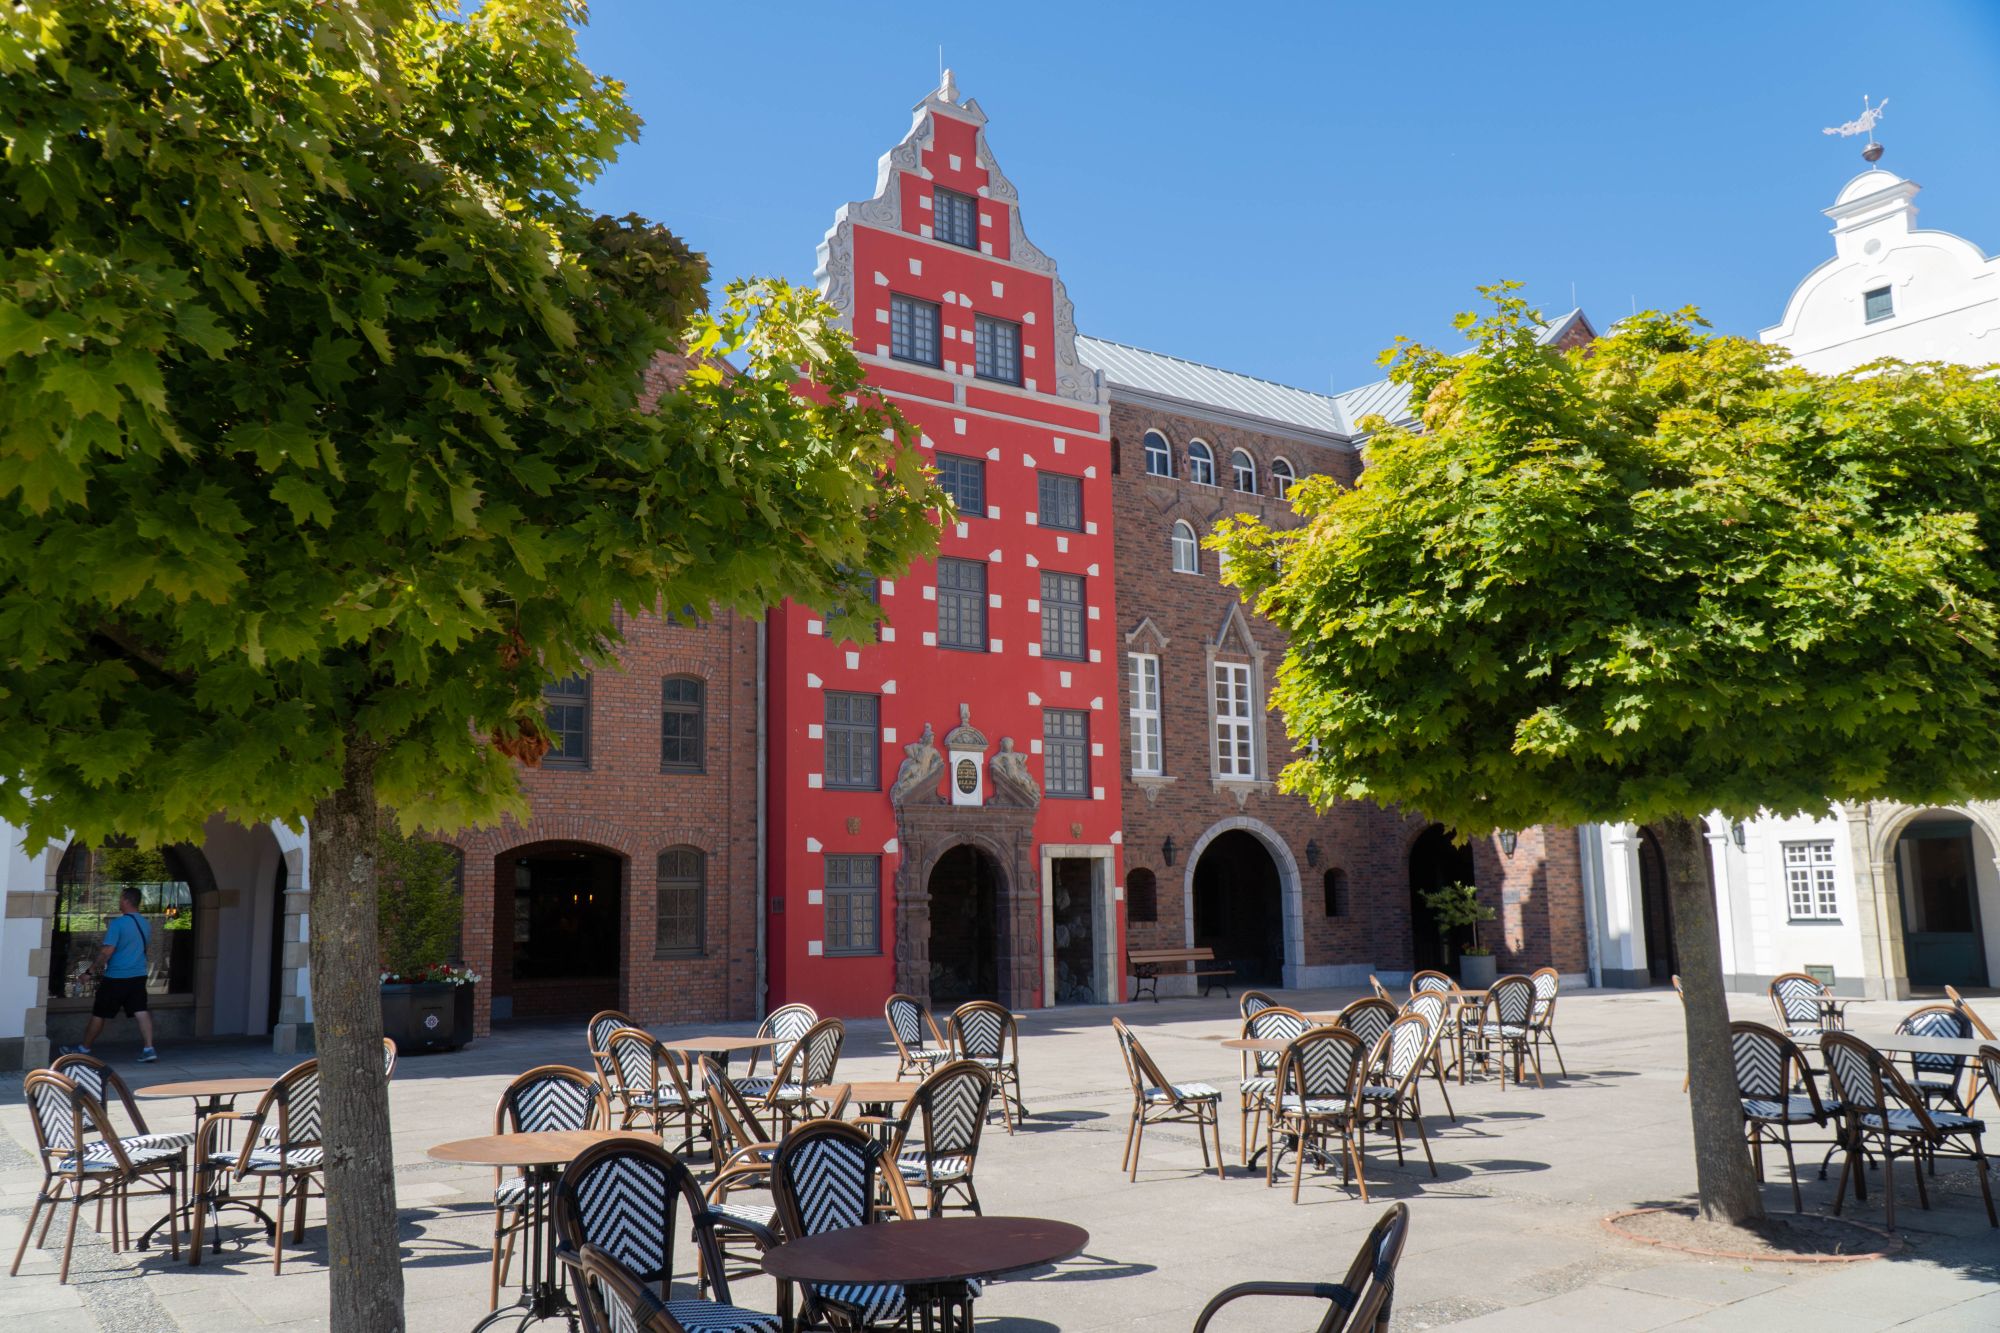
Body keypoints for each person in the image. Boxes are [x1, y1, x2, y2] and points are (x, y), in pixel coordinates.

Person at [59, 887, 158, 1062]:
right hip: (138, 974)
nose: (118, 902)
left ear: (127, 900)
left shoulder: (118, 924)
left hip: (116, 977)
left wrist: (89, 972)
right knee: (141, 1010)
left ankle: (84, 1048)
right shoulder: (145, 923)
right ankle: (149, 1048)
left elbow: (107, 952)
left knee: (100, 1012)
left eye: (120, 899)